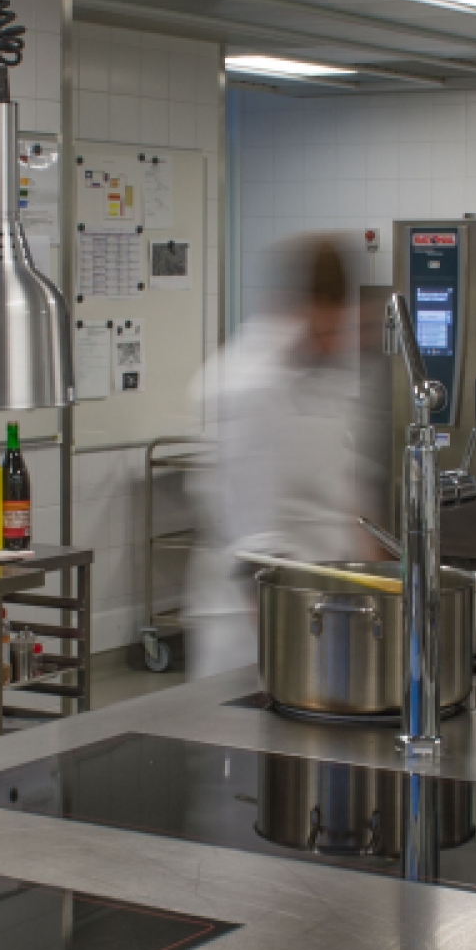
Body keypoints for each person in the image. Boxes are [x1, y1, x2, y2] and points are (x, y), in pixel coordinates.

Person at [181, 236, 385, 678]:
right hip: (257, 628)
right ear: (301, 305)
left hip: (325, 607)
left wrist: (383, 578)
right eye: (329, 324)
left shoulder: (329, 374)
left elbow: (344, 491)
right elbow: (255, 548)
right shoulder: (247, 385)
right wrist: (292, 651)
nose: (339, 339)